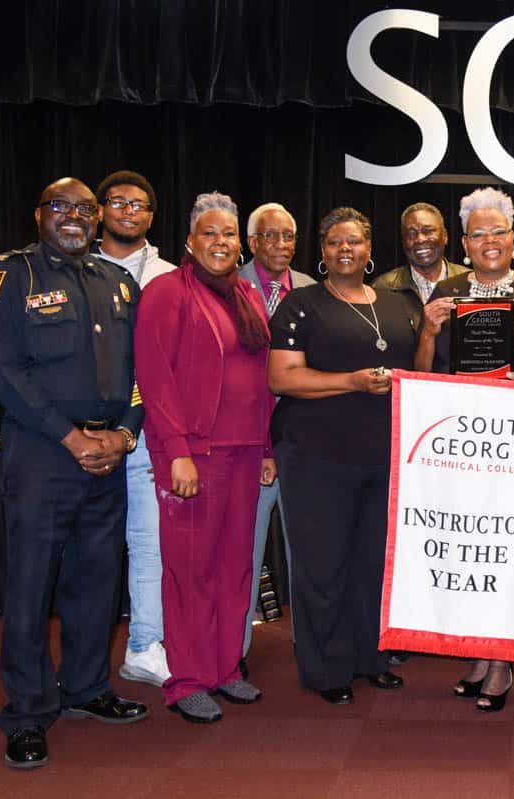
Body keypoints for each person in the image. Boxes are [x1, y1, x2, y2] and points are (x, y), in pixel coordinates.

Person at [0, 177, 149, 769]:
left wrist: (124, 433)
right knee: (31, 588)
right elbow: (4, 374)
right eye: (60, 207)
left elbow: (139, 373)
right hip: (42, 454)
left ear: (98, 217)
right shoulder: (12, 277)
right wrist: (70, 437)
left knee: (97, 583)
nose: (73, 217)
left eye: (84, 209)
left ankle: (86, 688)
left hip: (108, 453)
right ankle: (27, 712)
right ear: (39, 213)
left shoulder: (119, 285)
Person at [416, 186, 514, 712]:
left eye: (498, 231)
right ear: (464, 242)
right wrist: (429, 327)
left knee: (509, 551)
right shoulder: (449, 291)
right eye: (479, 233)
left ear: (513, 238)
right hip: (464, 446)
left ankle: (503, 660)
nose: (490, 240)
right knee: (472, 548)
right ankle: (480, 653)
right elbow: (427, 374)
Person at [134, 192, 275, 723]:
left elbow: (261, 382)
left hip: (243, 454)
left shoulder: (246, 295)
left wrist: (265, 447)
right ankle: (187, 679)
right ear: (190, 242)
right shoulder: (167, 292)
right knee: (189, 569)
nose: (220, 242)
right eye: (209, 234)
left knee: (235, 566)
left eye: (228, 234)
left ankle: (225, 669)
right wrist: (177, 453)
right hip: (195, 456)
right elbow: (155, 378)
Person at [268, 207, 415, 705]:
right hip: (314, 456)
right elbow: (282, 378)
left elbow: (416, 372)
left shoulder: (398, 304)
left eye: (354, 242)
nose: (344, 250)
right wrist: (350, 382)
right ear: (323, 252)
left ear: (370, 250)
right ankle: (327, 669)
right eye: (334, 243)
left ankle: (369, 659)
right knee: (322, 566)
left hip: (383, 457)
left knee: (373, 565)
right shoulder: (300, 305)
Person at [92, 169, 177, 689]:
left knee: (150, 543)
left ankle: (145, 645)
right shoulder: (72, 267)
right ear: (101, 209)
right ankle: (84, 659)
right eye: (118, 202)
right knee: (94, 546)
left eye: (139, 205)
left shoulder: (170, 275)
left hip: (150, 432)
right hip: (90, 435)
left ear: (151, 215)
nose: (128, 211)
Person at [237, 202, 316, 673]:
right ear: (252, 242)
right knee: (242, 552)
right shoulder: (229, 286)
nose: (281, 245)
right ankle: (235, 649)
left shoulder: (310, 290)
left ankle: (313, 646)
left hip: (304, 443)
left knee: (308, 550)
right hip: (246, 444)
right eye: (270, 236)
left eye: (288, 236)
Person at [371, 201, 470, 330]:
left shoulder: (470, 281)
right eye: (411, 234)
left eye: (428, 231)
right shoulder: (382, 288)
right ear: (403, 241)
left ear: (445, 236)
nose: (420, 239)